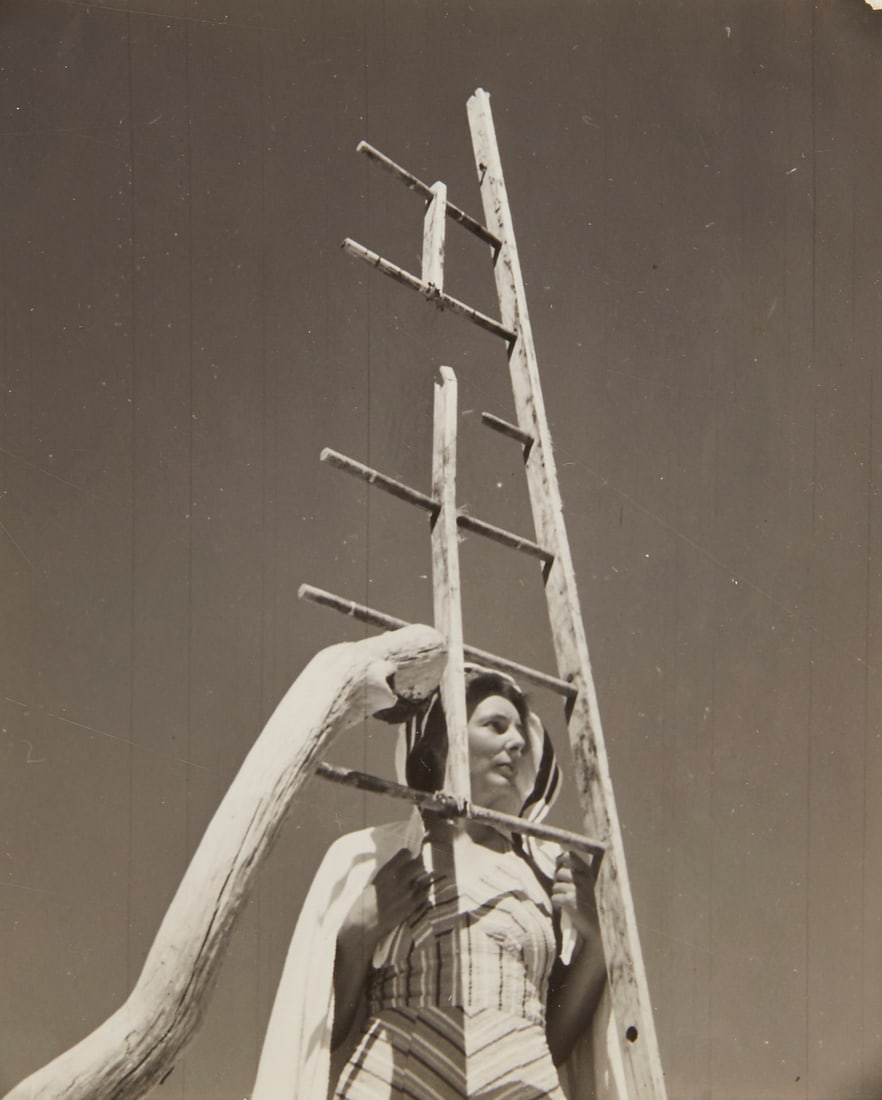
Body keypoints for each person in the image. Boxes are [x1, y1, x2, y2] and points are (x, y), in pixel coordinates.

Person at [252, 667, 606, 1100]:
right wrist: (360, 930)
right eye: (495, 726)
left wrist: (594, 939)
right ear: (442, 740)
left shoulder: (545, 873)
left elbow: (553, 1044)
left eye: (519, 732)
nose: (516, 741)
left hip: (520, 1082)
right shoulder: (374, 857)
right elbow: (324, 1031)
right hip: (399, 1080)